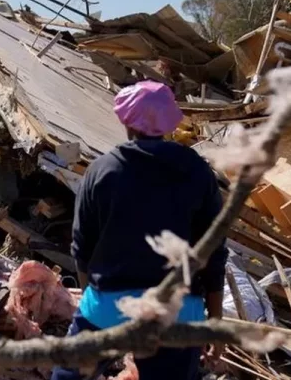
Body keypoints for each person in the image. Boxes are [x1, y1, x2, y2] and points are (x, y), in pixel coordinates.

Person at [51, 80, 227, 380]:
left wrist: (91, 297)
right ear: (171, 122)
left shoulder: (102, 170)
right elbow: (213, 250)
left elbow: (82, 247)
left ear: (125, 122)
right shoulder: (197, 170)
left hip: (109, 305)